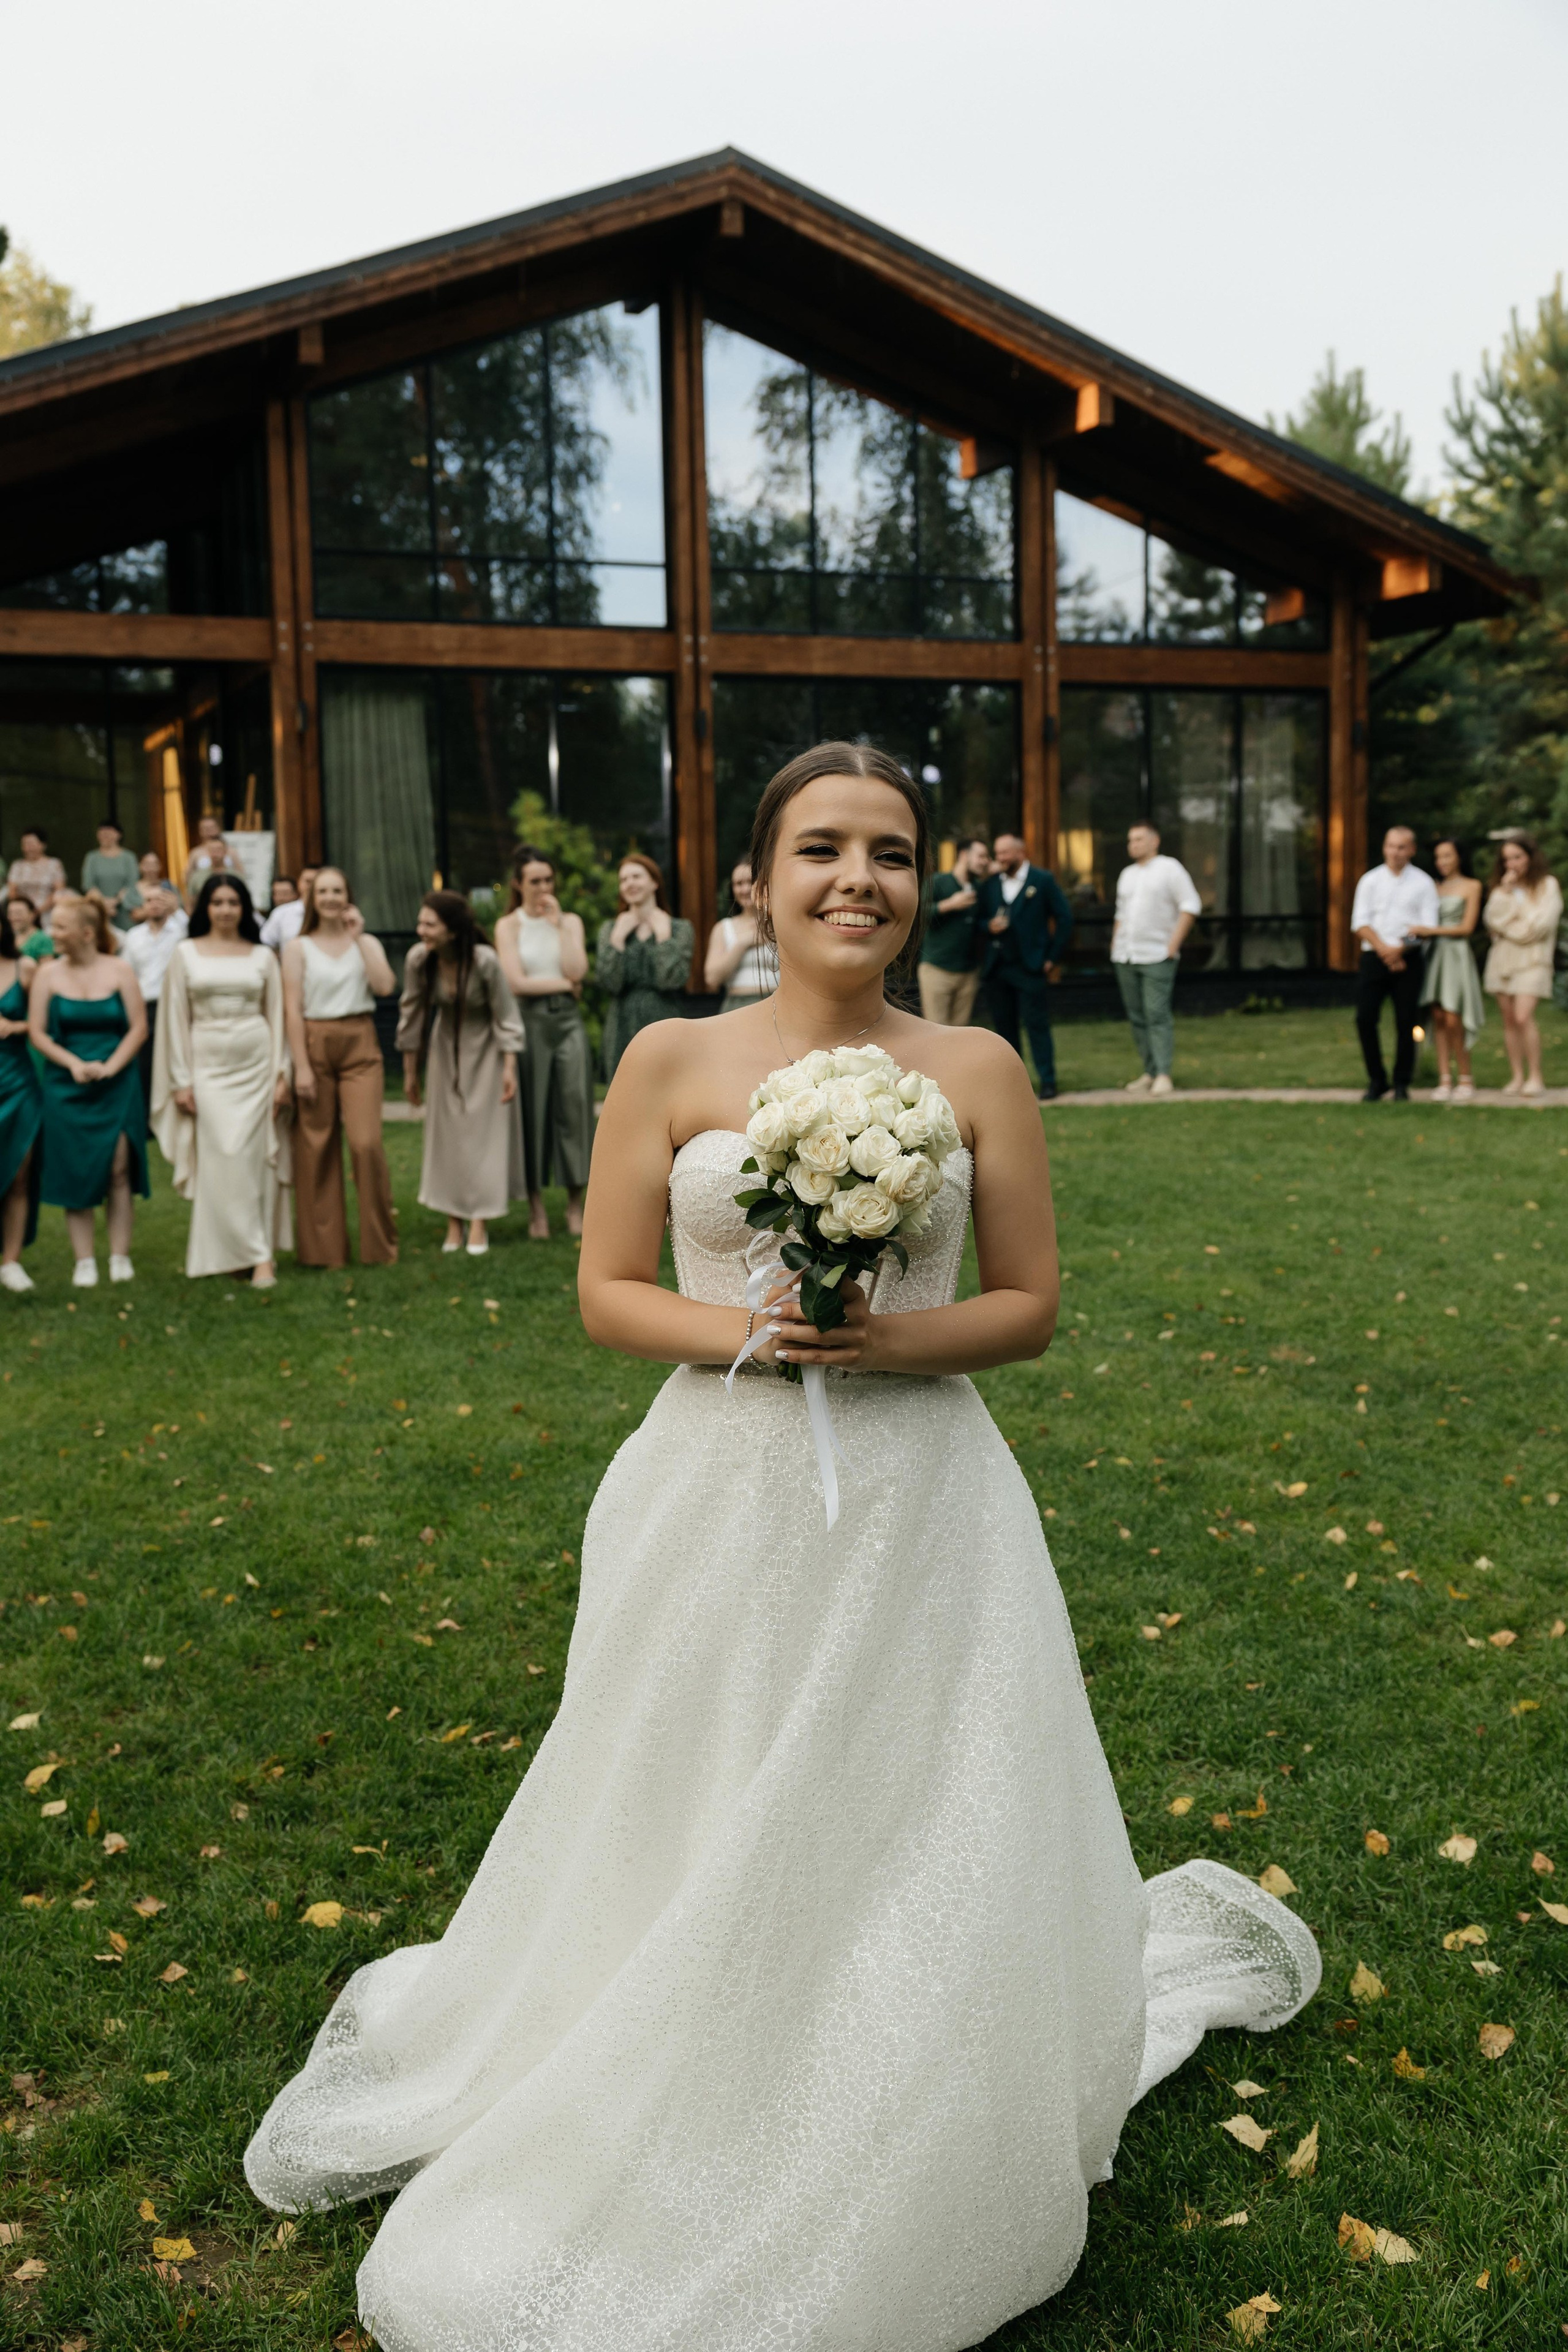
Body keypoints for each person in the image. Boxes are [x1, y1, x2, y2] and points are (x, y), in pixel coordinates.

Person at [246, 738, 1319, 2350]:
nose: (857, 881)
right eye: (822, 848)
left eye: (890, 852)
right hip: (719, 1488)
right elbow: (607, 1289)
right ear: (755, 877)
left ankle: (895, 2075)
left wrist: (888, 1344)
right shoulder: (672, 1057)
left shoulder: (974, 1075)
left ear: (920, 880)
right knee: (704, 1777)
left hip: (926, 1505)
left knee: (910, 1792)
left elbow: (1026, 1306)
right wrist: (759, 1331)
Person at [151, 875, 291, 1285]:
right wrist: (181, 1080)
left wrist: (282, 1073)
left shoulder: (263, 956)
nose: (226, 910)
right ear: (205, 908)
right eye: (218, 902)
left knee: (253, 1161)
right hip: (207, 1065)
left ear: (245, 908)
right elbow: (175, 1018)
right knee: (222, 1159)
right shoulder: (185, 954)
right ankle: (232, 1251)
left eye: (233, 902)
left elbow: (277, 1014)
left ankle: (260, 1255)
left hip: (257, 1062)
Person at [28, 895, 149, 1286]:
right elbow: (37, 1032)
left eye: (60, 927)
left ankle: (119, 1255)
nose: (53, 933)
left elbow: (138, 1027)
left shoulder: (119, 970)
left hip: (116, 1081)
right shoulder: (48, 975)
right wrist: (73, 1064)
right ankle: (84, 1261)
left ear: (86, 933)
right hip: (66, 1082)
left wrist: (112, 1066)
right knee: (73, 1168)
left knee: (118, 1168)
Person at [281, 867, 397, 1269]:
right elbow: (291, 1009)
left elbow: (384, 987)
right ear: (312, 898)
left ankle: (379, 1247)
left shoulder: (363, 942)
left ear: (348, 896)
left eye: (338, 891)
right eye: (323, 891)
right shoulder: (298, 948)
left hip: (360, 1041)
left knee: (366, 1144)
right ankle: (324, 1252)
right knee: (316, 1147)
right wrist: (302, 1067)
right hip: (315, 1041)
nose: (330, 898)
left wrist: (359, 938)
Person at [398, 890, 522, 1256]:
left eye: (429, 924)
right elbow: (411, 1014)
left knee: (484, 1135)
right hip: (444, 1049)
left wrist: (510, 1067)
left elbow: (506, 1014)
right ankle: (454, 1221)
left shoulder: (484, 960)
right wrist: (410, 1072)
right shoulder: (420, 960)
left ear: (452, 931)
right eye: (421, 922)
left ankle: (480, 1220)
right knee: (448, 1136)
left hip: (486, 1050)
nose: (421, 930)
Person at [494, 847, 594, 1241]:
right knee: (533, 1114)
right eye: (535, 881)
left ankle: (575, 1204)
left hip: (568, 1023)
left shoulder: (569, 921)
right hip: (529, 1022)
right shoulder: (509, 926)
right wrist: (568, 987)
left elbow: (578, 969)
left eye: (548, 880)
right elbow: (516, 982)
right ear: (519, 883)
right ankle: (536, 1207)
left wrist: (560, 928)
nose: (543, 888)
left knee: (575, 1108)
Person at [978, 831, 1073, 1101]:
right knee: (1004, 1030)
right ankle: (1014, 1086)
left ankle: (1048, 1081)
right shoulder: (991, 885)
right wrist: (989, 926)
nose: (1000, 858)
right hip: (997, 968)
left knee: (1037, 1025)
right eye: (997, 854)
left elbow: (1065, 918)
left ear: (1021, 853)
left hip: (1030, 967)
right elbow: (979, 921)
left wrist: (1051, 957)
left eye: (1005, 853)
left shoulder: (1042, 881)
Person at [1109, 821, 1201, 1098]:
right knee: (1137, 1017)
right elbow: (1121, 913)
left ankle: (1164, 1074)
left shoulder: (1170, 868)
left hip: (1157, 956)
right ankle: (1149, 1072)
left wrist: (1172, 946)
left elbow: (1191, 905)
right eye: (1130, 840)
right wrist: (1115, 943)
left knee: (1157, 1014)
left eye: (1138, 839)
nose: (1132, 845)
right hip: (1126, 955)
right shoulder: (1126, 874)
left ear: (1154, 841)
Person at [1351, 826, 1439, 1102]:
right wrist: (1385, 952)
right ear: (1384, 847)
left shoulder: (1423, 883)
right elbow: (1360, 923)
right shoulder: (1370, 880)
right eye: (1391, 846)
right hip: (1374, 957)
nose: (1396, 852)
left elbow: (1428, 927)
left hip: (1409, 959)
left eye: (1402, 847)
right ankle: (1377, 1080)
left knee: (1406, 1021)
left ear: (1411, 850)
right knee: (1365, 1018)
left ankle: (1402, 1082)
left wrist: (1400, 951)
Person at [596, 854, 695, 1080]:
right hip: (621, 1024)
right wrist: (618, 939)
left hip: (664, 1019)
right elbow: (609, 982)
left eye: (636, 877)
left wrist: (663, 937)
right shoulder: (610, 929)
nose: (629, 883)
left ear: (654, 882)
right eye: (624, 880)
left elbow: (671, 980)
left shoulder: (679, 929)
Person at [1482, 831, 1562, 1098]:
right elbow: (1491, 919)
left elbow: (1539, 927)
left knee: (1523, 1016)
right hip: (1503, 960)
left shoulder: (1548, 885)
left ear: (1530, 857)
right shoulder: (1501, 889)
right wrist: (1506, 893)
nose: (1512, 864)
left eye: (1517, 857)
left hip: (1534, 960)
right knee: (1509, 1020)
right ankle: (1517, 1076)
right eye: (1507, 860)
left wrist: (1510, 925)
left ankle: (1535, 1076)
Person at [1411, 837, 1483, 1102]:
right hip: (1434, 955)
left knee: (1454, 1016)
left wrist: (1431, 930)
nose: (1442, 862)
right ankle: (1444, 1078)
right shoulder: (1430, 887)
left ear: (1459, 857)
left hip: (1456, 955)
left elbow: (1466, 928)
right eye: (1439, 857)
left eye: (1447, 856)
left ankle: (1465, 1077)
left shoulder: (1472, 886)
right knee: (1438, 1016)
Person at [0, 901, 42, 1294]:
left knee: (18, 1171)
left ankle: (11, 1261)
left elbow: (48, 1022)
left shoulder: (24, 968)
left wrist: (15, 1025)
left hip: (16, 1080)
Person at [121, 883, 189, 1121]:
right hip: (144, 1006)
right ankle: (149, 1116)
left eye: (161, 900)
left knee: (177, 1057)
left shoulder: (182, 930)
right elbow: (128, 973)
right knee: (145, 1063)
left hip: (175, 1004)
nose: (155, 905)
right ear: (143, 906)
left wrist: (178, 910)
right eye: (150, 900)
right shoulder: (134, 936)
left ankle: (177, 1111)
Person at [917, 835, 991, 1025]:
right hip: (937, 970)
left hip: (968, 973)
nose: (985, 861)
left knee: (959, 1035)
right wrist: (949, 905)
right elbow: (918, 915)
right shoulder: (939, 881)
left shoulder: (978, 888)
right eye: (981, 856)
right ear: (964, 855)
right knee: (936, 1033)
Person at [703, 857, 778, 1009]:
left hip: (779, 1005)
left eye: (750, 882)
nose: (745, 890)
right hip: (737, 1006)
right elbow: (712, 979)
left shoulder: (781, 922)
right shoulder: (724, 927)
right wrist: (743, 943)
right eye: (738, 884)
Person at [81, 819, 140, 922]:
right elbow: (89, 884)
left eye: (108, 833)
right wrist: (104, 903)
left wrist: (115, 901)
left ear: (119, 835)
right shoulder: (92, 858)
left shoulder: (129, 857)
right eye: (102, 833)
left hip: (125, 909)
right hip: (99, 910)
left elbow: (132, 883)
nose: (105, 836)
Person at [183, 813, 238, 906]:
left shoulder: (231, 851)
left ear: (218, 828)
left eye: (212, 827)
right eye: (205, 828)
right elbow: (188, 879)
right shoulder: (196, 853)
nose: (209, 831)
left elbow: (240, 873)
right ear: (200, 831)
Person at [7, 828, 66, 917]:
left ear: (43, 845)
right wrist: (24, 910)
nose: (28, 848)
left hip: (49, 911)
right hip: (23, 913)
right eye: (25, 844)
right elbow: (12, 892)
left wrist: (38, 911)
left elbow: (59, 890)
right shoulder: (17, 866)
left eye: (31, 844)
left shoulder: (54, 864)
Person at [261, 864, 317, 952]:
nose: (312, 886)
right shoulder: (281, 913)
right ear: (299, 883)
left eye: (317, 882)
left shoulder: (336, 914)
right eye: (308, 881)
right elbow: (266, 943)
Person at [6, 893, 51, 963]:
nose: (13, 918)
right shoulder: (7, 938)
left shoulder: (43, 940)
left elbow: (47, 968)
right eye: (10, 913)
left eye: (18, 913)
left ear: (32, 915)